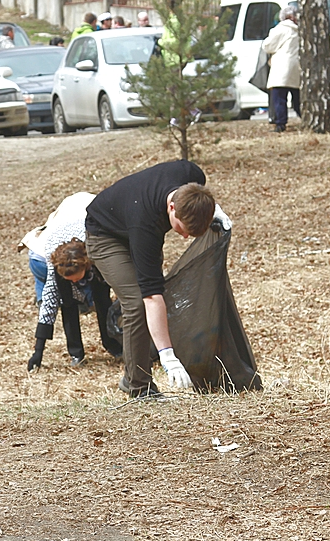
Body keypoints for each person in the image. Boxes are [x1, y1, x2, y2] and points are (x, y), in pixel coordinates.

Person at [85, 160, 226, 398]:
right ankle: (139, 386)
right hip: (104, 235)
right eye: (182, 228)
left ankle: (136, 371)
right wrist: (167, 356)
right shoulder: (145, 226)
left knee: (155, 294)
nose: (184, 237)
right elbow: (151, 296)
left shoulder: (191, 176)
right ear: (171, 207)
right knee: (137, 302)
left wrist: (213, 211)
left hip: (130, 219)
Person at [26, 196, 124, 370]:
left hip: (90, 245)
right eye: (71, 280)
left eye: (76, 279)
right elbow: (49, 302)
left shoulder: (95, 249)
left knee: (102, 298)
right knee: (67, 302)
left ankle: (113, 345)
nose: (75, 282)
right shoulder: (54, 260)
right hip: (59, 243)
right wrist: (38, 351)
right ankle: (76, 353)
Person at [262, 4, 301, 133]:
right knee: (297, 97)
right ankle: (305, 118)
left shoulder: (280, 29)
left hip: (281, 67)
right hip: (296, 67)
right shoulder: (300, 30)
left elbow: (267, 46)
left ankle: (280, 123)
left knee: (279, 97)